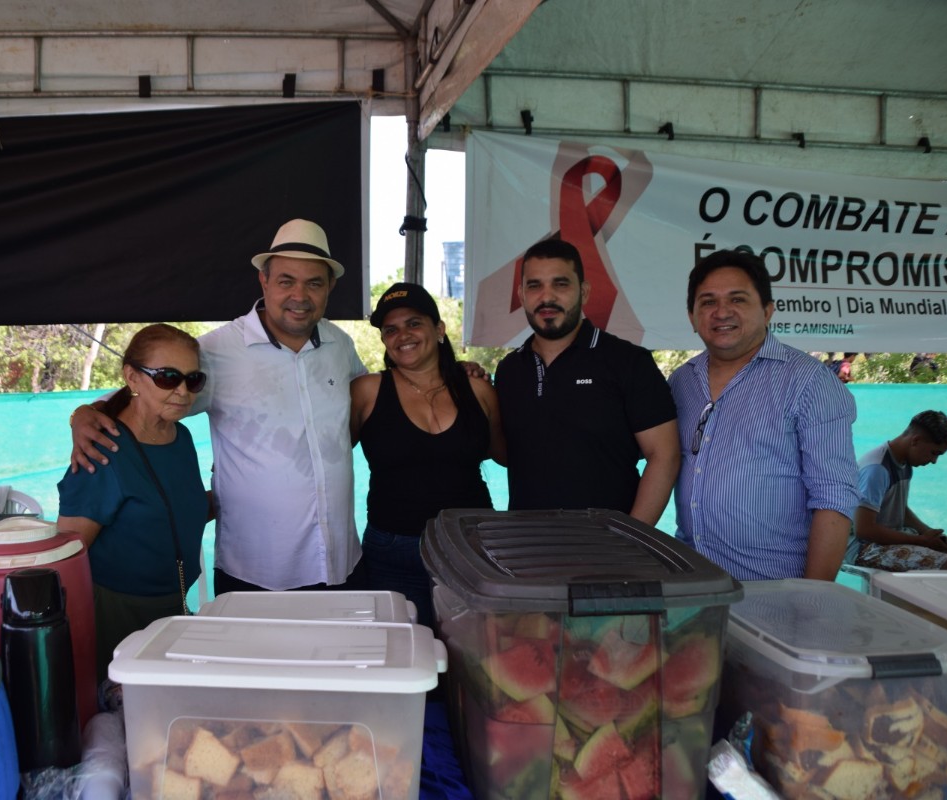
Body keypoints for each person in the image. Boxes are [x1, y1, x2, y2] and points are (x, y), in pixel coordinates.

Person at [70, 219, 366, 593]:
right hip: (256, 570)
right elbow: (144, 389)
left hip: (341, 561)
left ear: (331, 287)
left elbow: (368, 399)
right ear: (264, 280)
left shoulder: (341, 345)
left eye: (314, 283)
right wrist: (84, 414)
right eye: (286, 281)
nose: (299, 296)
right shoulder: (218, 351)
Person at [669, 249, 859, 581]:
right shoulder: (681, 382)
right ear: (691, 316)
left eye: (738, 300)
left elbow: (833, 498)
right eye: (708, 302)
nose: (721, 312)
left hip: (776, 591)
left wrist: (812, 597)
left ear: (767, 311)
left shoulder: (808, 380)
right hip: (692, 587)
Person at [57, 324, 211, 683]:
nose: (183, 391)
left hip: (173, 606)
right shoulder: (101, 449)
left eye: (194, 379)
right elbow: (66, 556)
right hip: (115, 615)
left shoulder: (180, 435)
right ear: (132, 378)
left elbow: (176, 509)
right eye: (168, 377)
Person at [350, 282, 505, 628]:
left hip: (474, 547)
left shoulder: (478, 389)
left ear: (439, 329)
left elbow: (508, 455)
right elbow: (322, 456)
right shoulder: (366, 391)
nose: (402, 334)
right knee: (401, 664)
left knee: (474, 664)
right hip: (393, 552)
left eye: (414, 323)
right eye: (391, 329)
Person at [493, 237, 679, 524]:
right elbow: (510, 454)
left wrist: (633, 539)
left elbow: (664, 456)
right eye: (534, 285)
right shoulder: (508, 370)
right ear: (521, 295)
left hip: (608, 553)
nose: (547, 297)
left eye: (561, 284)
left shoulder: (629, 362)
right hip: (527, 551)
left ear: (584, 291)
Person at [846, 410, 947, 571]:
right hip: (864, 549)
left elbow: (900, 508)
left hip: (893, 537)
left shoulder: (904, 463)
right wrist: (920, 541)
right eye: (934, 453)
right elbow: (864, 529)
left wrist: (929, 533)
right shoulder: (877, 469)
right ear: (915, 440)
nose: (934, 461)